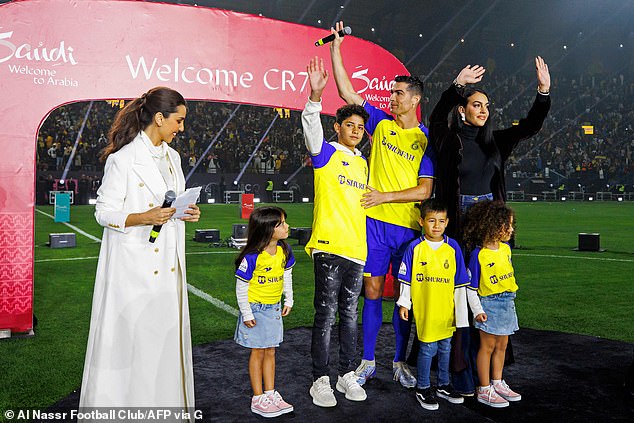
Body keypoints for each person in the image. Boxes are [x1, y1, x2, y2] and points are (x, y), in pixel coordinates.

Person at [429, 59, 551, 395]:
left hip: (490, 225)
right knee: (461, 298)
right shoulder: (448, 138)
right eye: (476, 104)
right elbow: (437, 117)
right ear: (463, 110)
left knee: (492, 296)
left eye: (486, 106)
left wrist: (543, 92)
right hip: (459, 222)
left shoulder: (495, 141)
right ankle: (460, 373)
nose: (482, 110)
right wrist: (457, 85)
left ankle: (492, 378)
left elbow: (530, 126)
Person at [80, 87, 200, 413]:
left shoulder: (173, 157)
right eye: (179, 120)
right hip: (134, 271)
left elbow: (169, 203)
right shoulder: (123, 160)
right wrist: (143, 217)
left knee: (163, 345)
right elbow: (104, 212)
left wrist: (186, 211)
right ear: (160, 118)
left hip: (169, 266)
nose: (182, 128)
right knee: (136, 346)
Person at [329, 21, 435, 388]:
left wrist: (385, 196)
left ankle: (399, 361)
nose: (392, 98)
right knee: (371, 291)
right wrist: (335, 49)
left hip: (406, 227)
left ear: (415, 99)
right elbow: (346, 92)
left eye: (399, 94)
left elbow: (423, 191)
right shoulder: (382, 123)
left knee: (405, 298)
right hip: (373, 224)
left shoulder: (425, 141)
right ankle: (369, 360)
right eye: (391, 93)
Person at [302, 56, 369, 407]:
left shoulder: (363, 162)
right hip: (329, 247)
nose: (356, 130)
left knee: (349, 315)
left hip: (357, 249)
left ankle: (346, 375)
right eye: (350, 125)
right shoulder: (325, 153)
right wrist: (316, 95)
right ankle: (320, 379)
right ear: (339, 127)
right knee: (326, 315)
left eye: (360, 127)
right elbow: (310, 123)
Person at [397, 199, 469, 410]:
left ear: (447, 223)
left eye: (441, 221)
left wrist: (461, 311)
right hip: (426, 309)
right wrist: (404, 304)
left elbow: (460, 282)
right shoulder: (414, 248)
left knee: (446, 347)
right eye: (431, 221)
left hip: (447, 310)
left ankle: (444, 385)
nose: (436, 226)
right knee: (428, 348)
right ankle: (423, 387)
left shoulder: (453, 247)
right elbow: (406, 279)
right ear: (421, 221)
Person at [234, 206, 295, 418]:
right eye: (281, 224)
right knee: (258, 351)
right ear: (267, 229)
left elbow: (286, 276)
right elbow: (241, 287)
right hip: (256, 310)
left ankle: (270, 392)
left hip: (274, 308)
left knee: (271, 350)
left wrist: (289, 299)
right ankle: (258, 398)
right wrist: (247, 313)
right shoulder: (251, 257)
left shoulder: (285, 251)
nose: (287, 227)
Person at [462, 200, 520, 408]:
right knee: (487, 346)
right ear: (492, 225)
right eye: (507, 225)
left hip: (507, 302)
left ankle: (498, 382)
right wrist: (477, 310)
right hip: (488, 304)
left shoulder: (506, 250)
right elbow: (471, 288)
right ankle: (484, 388)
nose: (511, 230)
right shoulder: (478, 255)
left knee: (502, 345)